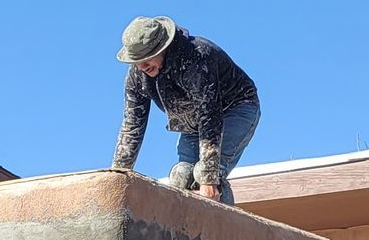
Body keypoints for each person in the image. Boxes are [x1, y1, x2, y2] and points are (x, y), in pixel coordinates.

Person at [110, 16, 260, 205]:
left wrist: (208, 179)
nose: (142, 66)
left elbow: (210, 116)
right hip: (192, 124)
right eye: (137, 60)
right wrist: (117, 178)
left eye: (147, 58)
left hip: (235, 109)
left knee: (207, 177)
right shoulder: (137, 76)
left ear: (162, 47)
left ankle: (227, 230)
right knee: (181, 176)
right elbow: (132, 125)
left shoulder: (195, 57)